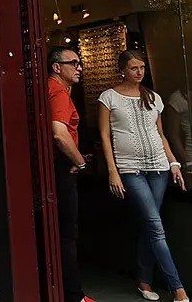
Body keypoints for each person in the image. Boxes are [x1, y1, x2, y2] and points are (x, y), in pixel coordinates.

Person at [99, 50, 187, 302]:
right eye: (134, 68)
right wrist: (112, 171)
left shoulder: (153, 97)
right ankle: (178, 288)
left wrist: (173, 163)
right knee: (155, 226)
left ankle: (144, 281)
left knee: (151, 225)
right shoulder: (109, 97)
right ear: (122, 70)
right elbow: (105, 136)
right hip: (130, 169)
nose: (139, 72)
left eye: (142, 67)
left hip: (159, 168)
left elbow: (161, 135)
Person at [47, 47, 95, 302]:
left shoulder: (49, 89)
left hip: (53, 167)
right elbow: (59, 133)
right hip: (61, 168)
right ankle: (74, 296)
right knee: (67, 234)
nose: (79, 67)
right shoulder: (58, 93)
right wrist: (80, 162)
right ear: (57, 67)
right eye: (74, 63)